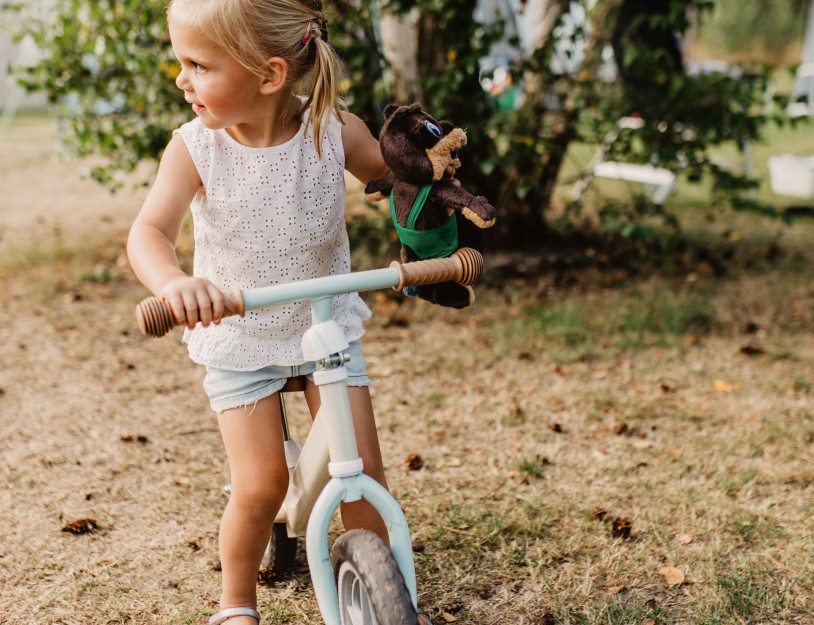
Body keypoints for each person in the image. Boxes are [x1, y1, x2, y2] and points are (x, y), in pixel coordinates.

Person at [127, 1, 437, 624]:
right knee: (262, 483)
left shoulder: (332, 131)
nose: (180, 79)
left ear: (269, 76)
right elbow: (149, 231)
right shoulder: (196, 149)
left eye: (197, 64)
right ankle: (237, 602)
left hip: (324, 328)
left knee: (363, 472)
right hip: (239, 332)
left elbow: (400, 179)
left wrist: (427, 180)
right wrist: (175, 283)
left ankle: (393, 594)